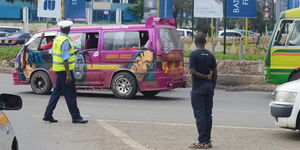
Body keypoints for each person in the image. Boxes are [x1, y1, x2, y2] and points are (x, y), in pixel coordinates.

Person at [43, 20, 88, 124]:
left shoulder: (58, 39)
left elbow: (65, 53)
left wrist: (79, 52)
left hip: (59, 71)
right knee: (70, 94)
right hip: (65, 72)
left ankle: (47, 114)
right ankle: (76, 117)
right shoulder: (66, 41)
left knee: (56, 93)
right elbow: (65, 58)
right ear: (68, 29)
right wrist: (68, 75)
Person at [189, 32, 217, 149]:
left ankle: (202, 141)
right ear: (205, 42)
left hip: (198, 88)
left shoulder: (193, 54)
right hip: (208, 88)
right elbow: (215, 73)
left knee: (200, 115)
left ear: (195, 42)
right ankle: (208, 140)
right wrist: (212, 86)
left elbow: (193, 72)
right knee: (208, 114)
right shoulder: (210, 55)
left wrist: (205, 77)